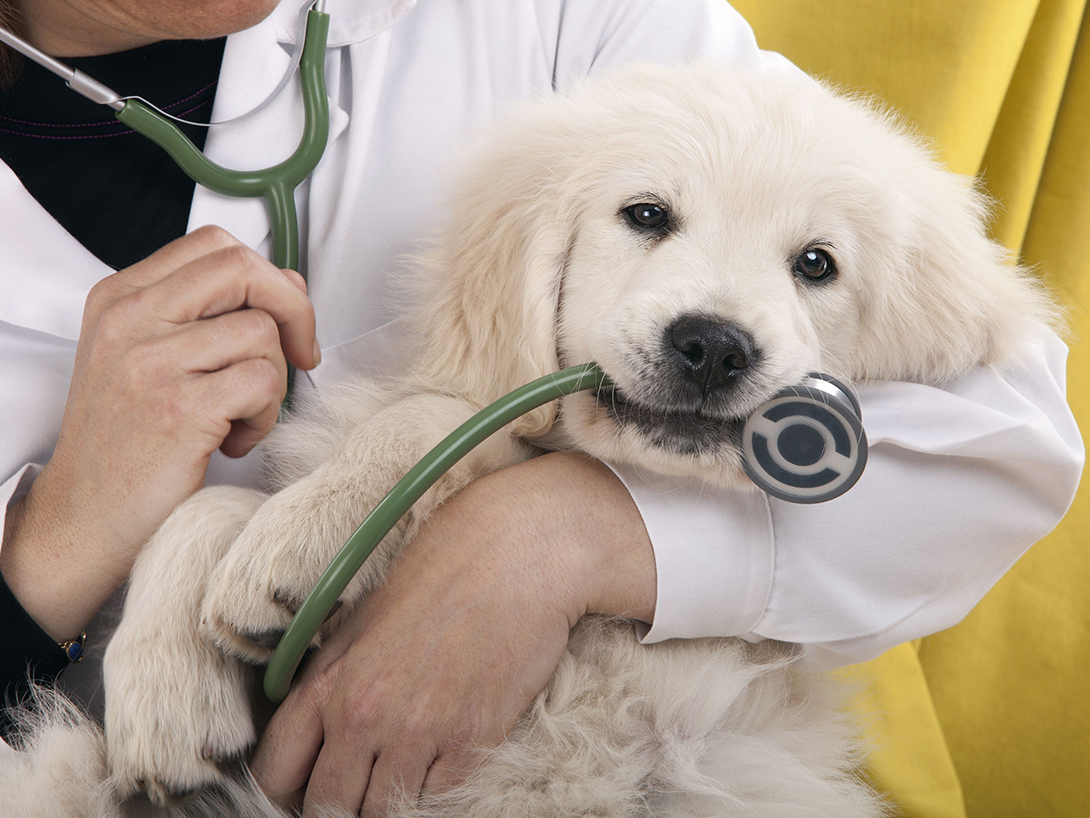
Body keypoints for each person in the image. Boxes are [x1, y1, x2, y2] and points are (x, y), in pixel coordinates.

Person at [0, 0, 1082, 815]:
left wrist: (561, 537)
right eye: (646, 216)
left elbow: (996, 434)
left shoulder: (563, 16)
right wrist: (55, 550)